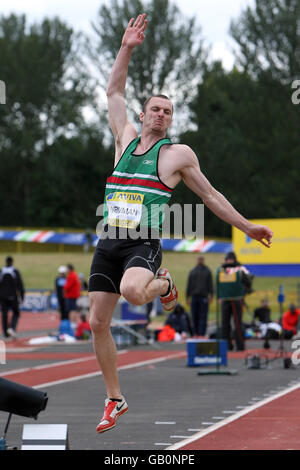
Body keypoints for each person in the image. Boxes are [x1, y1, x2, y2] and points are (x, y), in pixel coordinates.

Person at [88, 14, 273, 434]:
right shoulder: (124, 137)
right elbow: (113, 89)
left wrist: (247, 228)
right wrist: (126, 47)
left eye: (168, 111)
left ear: (172, 119)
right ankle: (115, 398)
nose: (161, 115)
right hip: (108, 240)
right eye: (155, 108)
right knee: (97, 322)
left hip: (141, 242)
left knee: (135, 292)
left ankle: (165, 284)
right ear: (143, 112)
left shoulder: (178, 155)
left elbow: (210, 196)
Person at [217, 252, 252, 351]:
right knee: (225, 324)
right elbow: (218, 285)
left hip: (237, 300)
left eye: (231, 259)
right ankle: (226, 345)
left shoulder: (240, 270)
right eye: (228, 259)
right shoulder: (221, 270)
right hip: (225, 300)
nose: (229, 261)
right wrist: (219, 297)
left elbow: (248, 282)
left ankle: (240, 345)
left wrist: (243, 292)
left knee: (237, 323)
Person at [186, 255, 213, 336]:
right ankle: (196, 333)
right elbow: (189, 285)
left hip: (203, 296)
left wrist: (211, 295)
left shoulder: (207, 271)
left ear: (203, 260)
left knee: (203, 316)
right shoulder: (192, 271)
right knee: (194, 315)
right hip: (194, 296)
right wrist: (188, 297)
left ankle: (202, 333)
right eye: (199, 259)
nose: (200, 261)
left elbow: (210, 284)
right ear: (197, 260)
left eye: (201, 259)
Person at [0, 256, 24, 339]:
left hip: (2, 296)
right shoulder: (14, 271)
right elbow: (20, 285)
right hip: (13, 296)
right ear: (12, 262)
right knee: (16, 313)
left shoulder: (1, 271)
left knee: (4, 314)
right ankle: (12, 328)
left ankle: (5, 332)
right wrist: (22, 296)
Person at [63, 264, 81, 329]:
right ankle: (74, 323)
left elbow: (67, 286)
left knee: (71, 310)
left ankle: (72, 323)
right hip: (74, 295)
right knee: (74, 309)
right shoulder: (75, 275)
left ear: (69, 269)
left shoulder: (71, 275)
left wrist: (64, 289)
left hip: (71, 295)